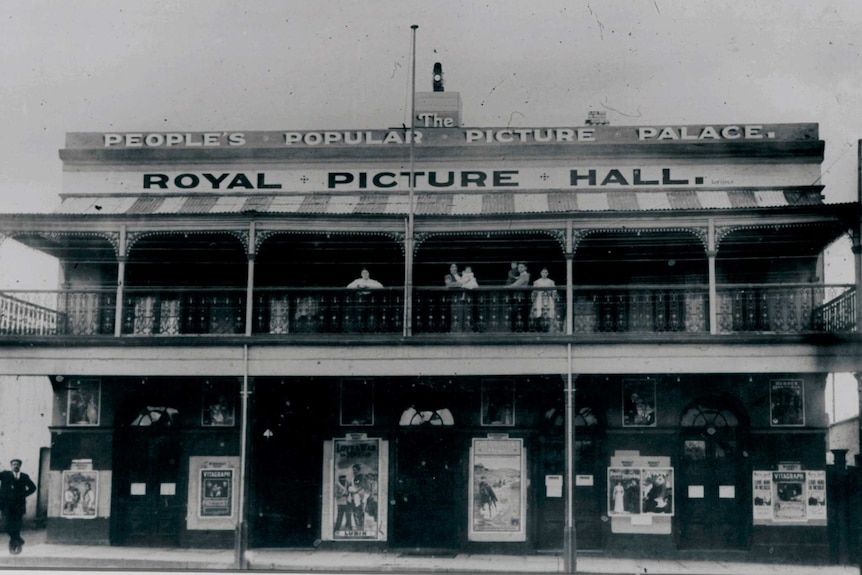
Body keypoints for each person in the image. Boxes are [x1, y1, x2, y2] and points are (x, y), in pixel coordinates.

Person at [0, 459, 37, 552]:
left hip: (19, 505)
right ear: (11, 466)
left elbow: (33, 487)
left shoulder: (24, 476)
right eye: (13, 464)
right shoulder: (4, 474)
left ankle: (13, 544)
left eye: (17, 464)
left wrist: (24, 494)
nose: (15, 466)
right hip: (6, 505)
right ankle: (18, 539)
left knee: (17, 524)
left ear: (20, 466)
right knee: (6, 524)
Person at [346, 268, 383, 332]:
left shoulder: (373, 281)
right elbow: (348, 287)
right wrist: (357, 286)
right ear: (361, 274)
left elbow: (381, 287)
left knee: (370, 314)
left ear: (369, 274)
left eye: (366, 273)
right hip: (360, 300)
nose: (365, 274)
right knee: (360, 314)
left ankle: (370, 328)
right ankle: (359, 329)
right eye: (363, 273)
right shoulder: (357, 281)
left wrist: (368, 286)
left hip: (370, 300)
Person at [531, 267, 558, 332]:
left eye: (546, 272)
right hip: (539, 298)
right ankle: (539, 328)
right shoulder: (537, 282)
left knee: (549, 312)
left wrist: (554, 296)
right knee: (539, 311)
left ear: (548, 273)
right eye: (543, 272)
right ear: (540, 273)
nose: (544, 274)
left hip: (548, 298)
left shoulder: (551, 281)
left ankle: (549, 328)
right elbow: (534, 291)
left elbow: (554, 291)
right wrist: (534, 298)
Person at [506, 263, 530, 331]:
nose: (520, 268)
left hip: (522, 295)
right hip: (519, 295)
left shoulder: (525, 275)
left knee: (520, 312)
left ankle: (522, 328)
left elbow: (518, 284)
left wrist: (508, 287)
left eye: (522, 267)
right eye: (519, 267)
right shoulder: (522, 275)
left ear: (525, 268)